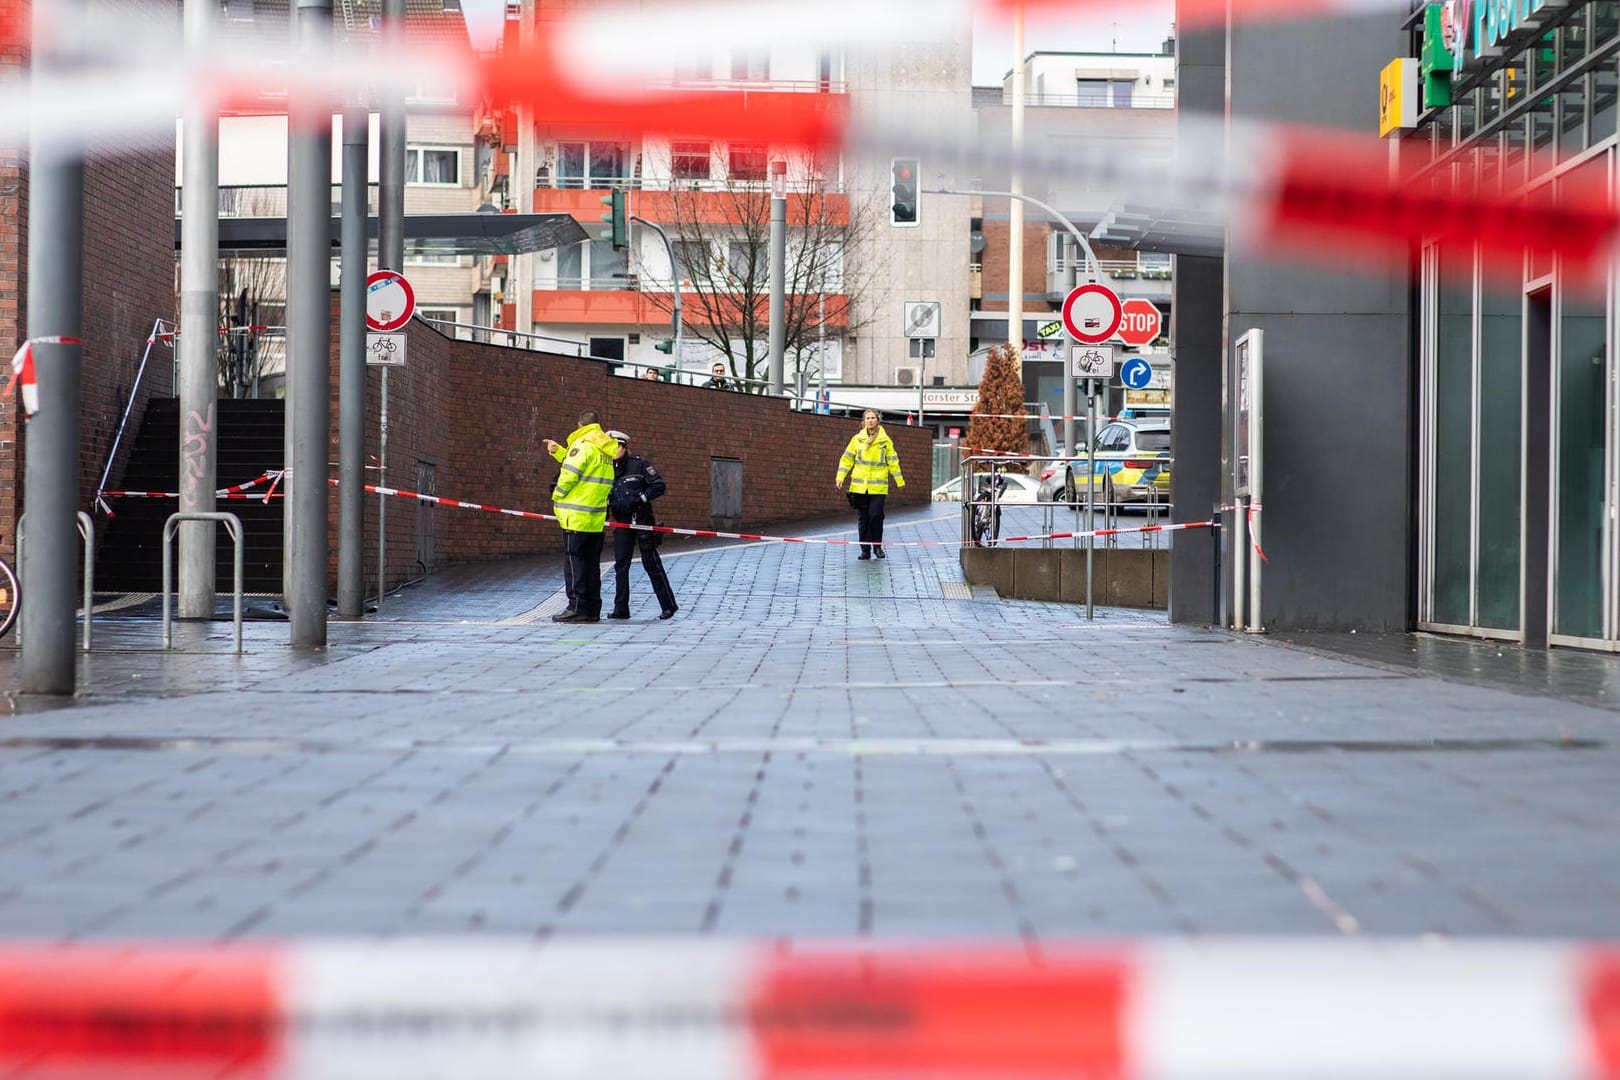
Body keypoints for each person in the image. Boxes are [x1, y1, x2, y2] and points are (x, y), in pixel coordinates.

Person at [542, 410, 617, 623]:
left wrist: (557, 495)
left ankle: (576, 607)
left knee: (575, 564)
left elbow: (570, 474)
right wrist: (558, 451)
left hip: (575, 516)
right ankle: (592, 609)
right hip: (595, 518)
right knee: (592, 565)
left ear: (579, 426)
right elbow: (583, 467)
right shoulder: (603, 450)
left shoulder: (582, 445)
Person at [604, 430, 678, 621]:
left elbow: (658, 485)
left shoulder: (639, 465)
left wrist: (641, 498)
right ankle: (621, 609)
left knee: (651, 563)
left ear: (623, 447)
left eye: (615, 447)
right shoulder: (604, 469)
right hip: (622, 522)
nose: (612, 451)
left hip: (642, 520)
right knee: (621, 566)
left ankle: (668, 606)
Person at [834, 408, 905, 560]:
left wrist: (899, 480)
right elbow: (847, 459)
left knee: (875, 516)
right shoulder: (856, 440)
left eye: (873, 418)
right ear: (864, 421)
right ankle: (865, 550)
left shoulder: (885, 441)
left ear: (877, 420)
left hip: (878, 487)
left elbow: (893, 461)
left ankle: (877, 547)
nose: (871, 420)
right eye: (868, 418)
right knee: (863, 519)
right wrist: (840, 476)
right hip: (859, 487)